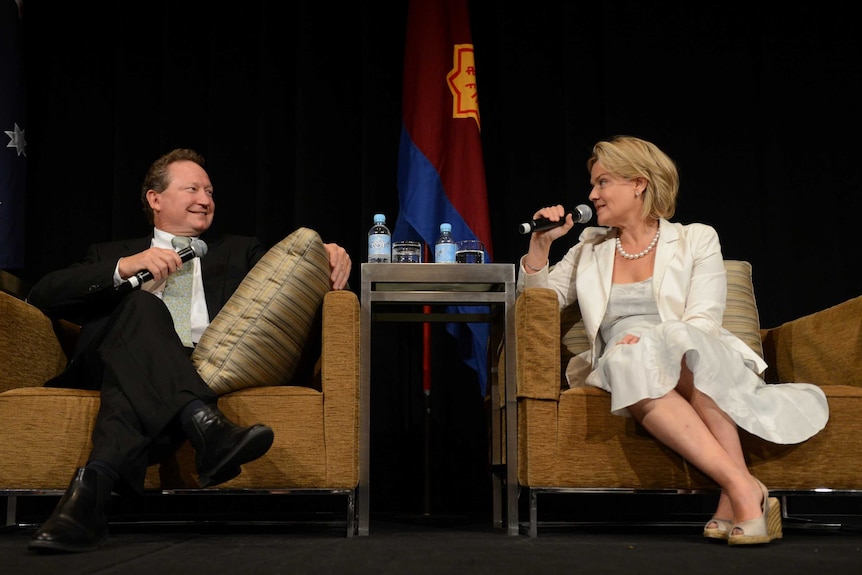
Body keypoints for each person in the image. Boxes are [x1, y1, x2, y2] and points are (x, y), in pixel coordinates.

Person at [25, 148, 352, 553]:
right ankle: (205, 424)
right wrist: (127, 267)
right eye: (192, 188)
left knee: (132, 387)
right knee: (144, 304)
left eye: (210, 191)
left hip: (196, 362)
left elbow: (286, 278)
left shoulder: (239, 250)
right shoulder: (111, 253)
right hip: (112, 356)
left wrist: (327, 253)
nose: (206, 199)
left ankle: (88, 497)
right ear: (155, 199)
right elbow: (42, 294)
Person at [517, 135, 828, 546]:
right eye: (593, 185)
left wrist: (653, 336)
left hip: (689, 350)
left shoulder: (696, 238)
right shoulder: (588, 247)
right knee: (629, 357)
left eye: (603, 182)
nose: (592, 195)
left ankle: (731, 497)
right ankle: (742, 488)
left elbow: (703, 316)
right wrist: (540, 245)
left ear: (639, 184)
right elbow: (537, 305)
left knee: (680, 341)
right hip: (622, 359)